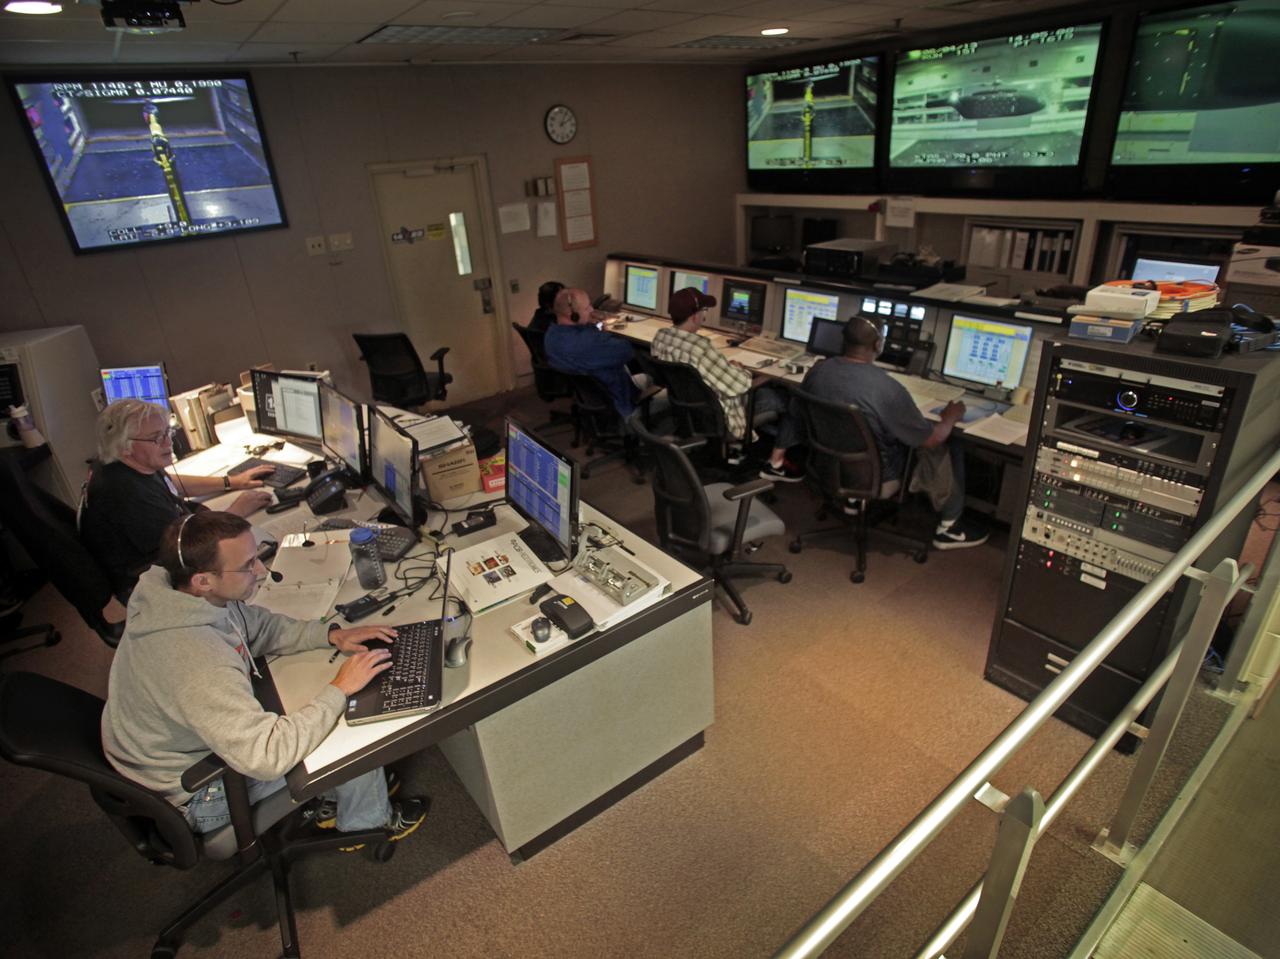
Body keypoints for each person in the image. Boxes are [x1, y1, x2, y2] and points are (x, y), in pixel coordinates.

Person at [101, 510, 428, 845]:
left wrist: (331, 636)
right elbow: (267, 755)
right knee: (346, 727)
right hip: (194, 792)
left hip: (171, 750)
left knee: (318, 703)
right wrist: (339, 688)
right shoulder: (197, 662)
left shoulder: (181, 596)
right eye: (247, 565)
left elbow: (260, 627)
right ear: (203, 580)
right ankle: (367, 826)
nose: (262, 571)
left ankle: (342, 791)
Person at [761, 316, 989, 550]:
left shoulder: (818, 371)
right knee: (951, 442)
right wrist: (950, 416)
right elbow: (931, 440)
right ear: (878, 345)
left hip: (824, 466)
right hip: (876, 476)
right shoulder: (886, 388)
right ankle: (949, 528)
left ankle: (852, 499)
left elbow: (797, 414)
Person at [80, 399, 275, 598]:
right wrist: (236, 512)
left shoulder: (130, 464)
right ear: (125, 447)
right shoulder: (124, 494)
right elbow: (186, 551)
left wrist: (232, 481)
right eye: (157, 437)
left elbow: (168, 481)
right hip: (155, 581)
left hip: (171, 542)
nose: (169, 442)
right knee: (256, 570)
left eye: (168, 432)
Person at [651, 287, 788, 458]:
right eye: (704, 311)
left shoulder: (661, 336)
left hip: (688, 410)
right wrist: (759, 371)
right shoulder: (700, 347)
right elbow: (740, 386)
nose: (705, 315)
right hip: (719, 416)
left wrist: (723, 366)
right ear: (695, 316)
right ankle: (774, 460)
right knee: (781, 398)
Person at [544, 287, 645, 417]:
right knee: (659, 387)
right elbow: (628, 350)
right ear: (572, 315)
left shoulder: (551, 336)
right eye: (587, 308)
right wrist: (601, 331)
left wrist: (592, 326)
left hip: (591, 401)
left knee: (643, 379)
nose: (592, 310)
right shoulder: (591, 343)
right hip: (621, 406)